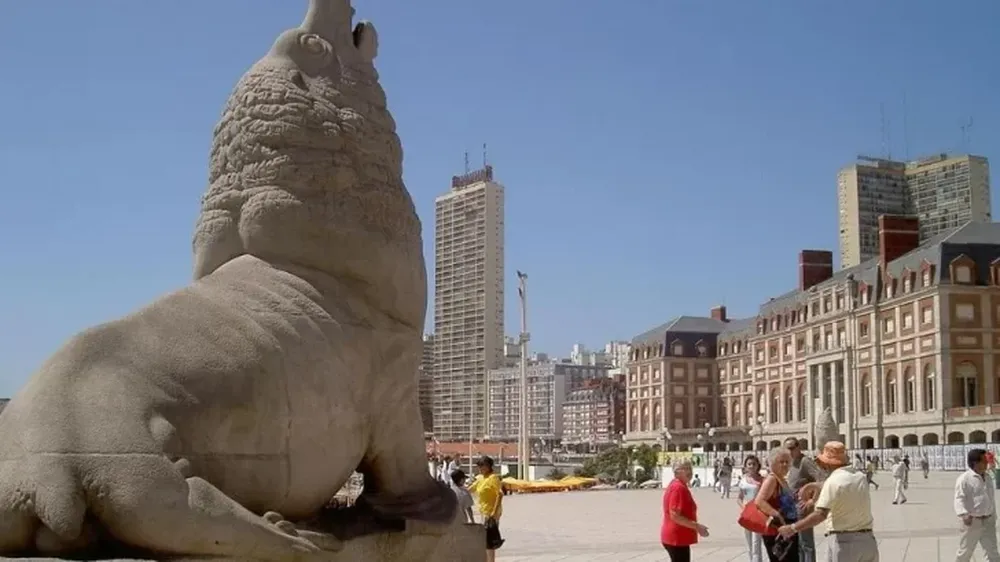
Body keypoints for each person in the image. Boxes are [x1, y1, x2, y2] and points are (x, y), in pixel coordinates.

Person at [777, 442, 878, 562]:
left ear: (827, 463)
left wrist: (793, 528)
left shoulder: (832, 481)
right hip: (868, 542)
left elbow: (820, 514)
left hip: (844, 544)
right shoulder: (859, 476)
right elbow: (843, 486)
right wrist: (815, 485)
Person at [954, 448, 1000, 562]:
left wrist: (993, 515)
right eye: (984, 461)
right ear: (975, 463)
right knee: (965, 552)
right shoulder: (964, 479)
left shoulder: (988, 477)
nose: (987, 463)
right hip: (972, 522)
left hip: (988, 521)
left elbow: (990, 498)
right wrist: (963, 514)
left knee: (992, 552)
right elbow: (959, 498)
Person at [755, 448, 800, 562]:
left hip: (788, 527)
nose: (785, 464)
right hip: (777, 528)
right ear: (773, 463)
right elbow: (759, 501)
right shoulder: (772, 479)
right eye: (781, 462)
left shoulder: (782, 479)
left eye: (787, 462)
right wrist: (777, 515)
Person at [784, 438, 824, 562]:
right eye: (786, 448)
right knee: (797, 543)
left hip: (802, 508)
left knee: (806, 542)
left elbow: (821, 480)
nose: (789, 451)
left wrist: (812, 500)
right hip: (791, 507)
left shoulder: (805, 461)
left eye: (791, 448)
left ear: (798, 447)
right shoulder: (790, 463)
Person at [661, 459, 709, 562]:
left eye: (690, 468)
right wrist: (697, 526)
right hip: (676, 538)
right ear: (677, 472)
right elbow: (675, 515)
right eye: (685, 468)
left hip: (677, 537)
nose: (689, 472)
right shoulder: (678, 488)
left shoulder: (677, 485)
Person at [468, 456, 505, 560]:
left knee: (489, 542)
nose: (480, 469)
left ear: (488, 466)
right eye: (479, 467)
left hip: (492, 514)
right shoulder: (480, 478)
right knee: (483, 540)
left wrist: (493, 512)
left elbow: (500, 494)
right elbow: (471, 489)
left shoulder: (493, 478)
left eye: (482, 466)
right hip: (483, 512)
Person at [737, 455, 765, 562]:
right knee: (749, 544)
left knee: (756, 543)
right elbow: (739, 498)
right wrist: (743, 507)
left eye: (754, 464)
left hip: (758, 514)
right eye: (749, 464)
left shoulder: (762, 480)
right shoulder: (743, 481)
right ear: (745, 466)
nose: (752, 466)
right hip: (747, 515)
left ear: (758, 465)